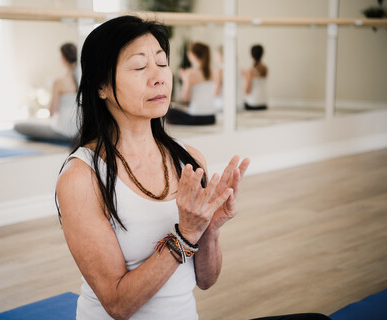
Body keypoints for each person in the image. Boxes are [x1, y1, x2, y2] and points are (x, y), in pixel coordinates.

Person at [55, 15, 331, 320]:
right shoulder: (81, 177)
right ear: (101, 86)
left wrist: (209, 230)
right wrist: (184, 236)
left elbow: (206, 280)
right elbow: (118, 304)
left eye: (162, 63)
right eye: (139, 67)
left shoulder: (188, 158)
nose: (158, 77)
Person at [14, 43, 78, 142]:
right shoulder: (84, 80)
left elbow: (52, 112)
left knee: (18, 126)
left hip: (62, 131)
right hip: (79, 131)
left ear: (63, 58)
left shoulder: (59, 82)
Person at [166, 42, 217, 125]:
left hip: (196, 117)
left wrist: (184, 80)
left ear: (193, 55)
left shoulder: (191, 73)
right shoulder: (212, 73)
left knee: (167, 110)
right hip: (211, 117)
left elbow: (185, 98)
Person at [242, 44, 268, 111]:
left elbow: (247, 91)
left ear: (251, 55)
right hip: (263, 104)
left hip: (252, 104)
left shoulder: (250, 72)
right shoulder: (265, 69)